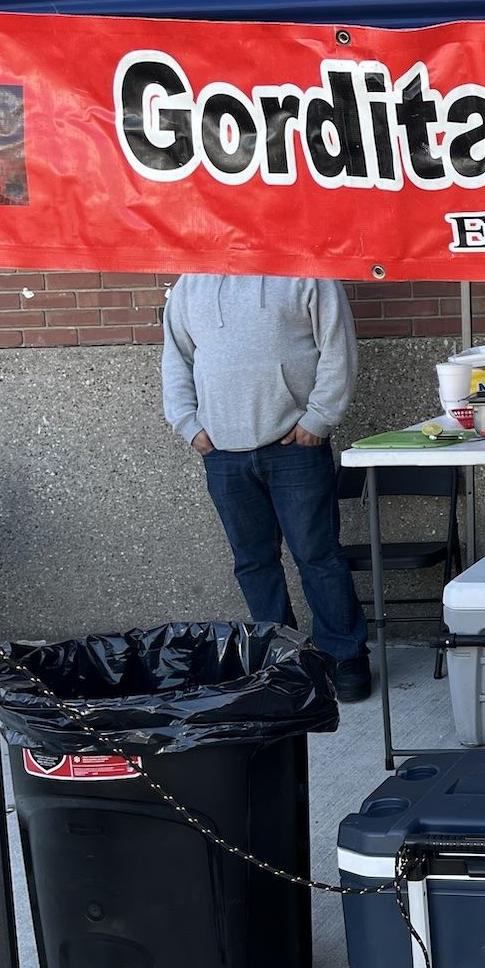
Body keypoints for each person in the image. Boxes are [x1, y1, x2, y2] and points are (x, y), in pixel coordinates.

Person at [161, 274, 371, 702]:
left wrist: (319, 418)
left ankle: (344, 656)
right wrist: (188, 424)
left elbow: (338, 348)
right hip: (222, 451)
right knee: (254, 563)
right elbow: (177, 358)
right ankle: (280, 660)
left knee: (318, 555)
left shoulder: (306, 271)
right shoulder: (190, 284)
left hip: (295, 446)